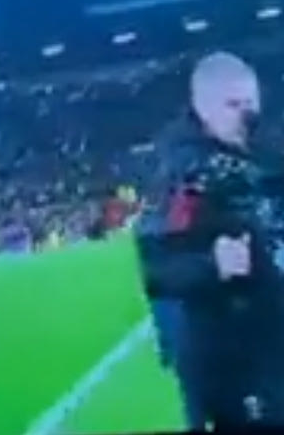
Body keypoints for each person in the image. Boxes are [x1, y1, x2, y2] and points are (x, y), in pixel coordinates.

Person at [138, 51, 284, 430]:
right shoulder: (184, 175)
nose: (246, 115)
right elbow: (154, 267)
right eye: (233, 105)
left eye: (250, 103)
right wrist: (211, 264)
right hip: (235, 365)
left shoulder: (265, 156)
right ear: (202, 107)